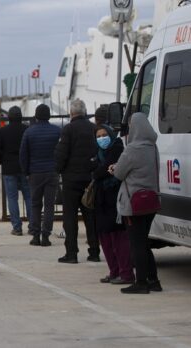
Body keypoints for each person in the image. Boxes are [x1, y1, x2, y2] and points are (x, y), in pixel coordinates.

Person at [110, 113, 162, 294]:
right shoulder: (152, 147)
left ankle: (141, 283)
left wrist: (114, 168)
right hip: (151, 201)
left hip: (134, 203)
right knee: (144, 242)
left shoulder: (132, 149)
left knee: (136, 244)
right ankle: (153, 280)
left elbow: (119, 174)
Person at [55, 99, 100, 264]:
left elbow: (61, 154)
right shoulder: (93, 128)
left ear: (71, 113)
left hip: (71, 180)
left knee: (70, 218)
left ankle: (72, 253)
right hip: (89, 180)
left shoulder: (68, 129)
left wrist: (58, 169)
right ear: (85, 111)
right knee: (90, 217)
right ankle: (94, 251)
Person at [93, 125, 133, 285]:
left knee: (119, 238)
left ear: (111, 135)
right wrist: (100, 171)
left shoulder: (117, 149)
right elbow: (97, 171)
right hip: (101, 200)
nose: (102, 138)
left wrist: (99, 172)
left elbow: (103, 172)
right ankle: (114, 271)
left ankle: (126, 273)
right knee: (105, 237)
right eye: (98, 136)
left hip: (115, 199)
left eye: (104, 135)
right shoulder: (97, 153)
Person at [20, 104, 61, 247]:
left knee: (35, 204)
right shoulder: (57, 131)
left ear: (36, 116)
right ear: (49, 115)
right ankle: (46, 236)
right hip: (52, 172)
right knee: (49, 206)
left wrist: (26, 172)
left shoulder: (29, 132)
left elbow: (23, 155)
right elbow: (61, 152)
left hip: (35, 173)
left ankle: (35, 235)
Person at [0, 106, 32, 236]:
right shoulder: (27, 130)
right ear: (21, 116)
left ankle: (17, 227)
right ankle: (32, 226)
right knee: (28, 197)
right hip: (25, 167)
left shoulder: (2, 132)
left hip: (9, 168)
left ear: (9, 117)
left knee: (12, 198)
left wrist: (1, 161)